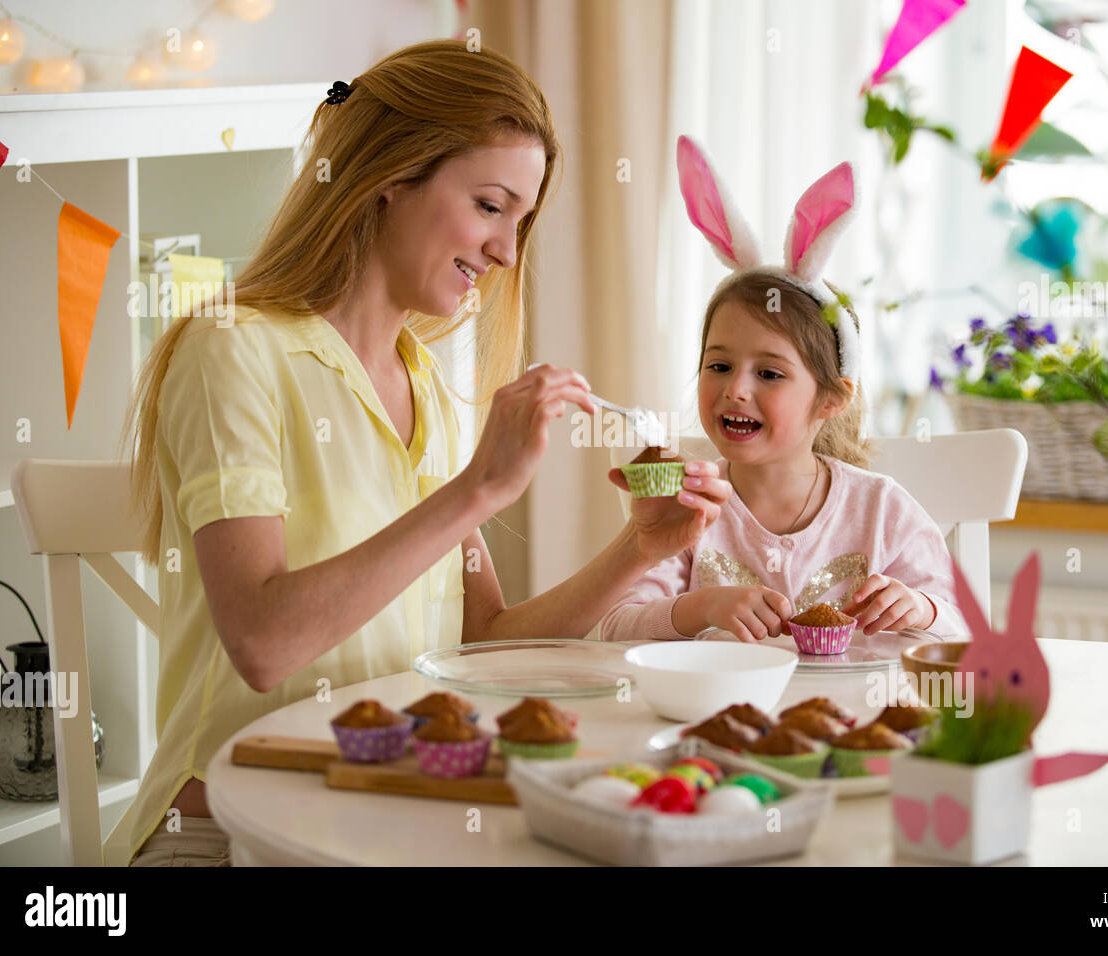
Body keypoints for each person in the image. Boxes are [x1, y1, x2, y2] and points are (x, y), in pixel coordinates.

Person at [107, 42, 730, 867]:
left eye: (522, 219)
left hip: (384, 820)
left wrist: (638, 549)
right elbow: (261, 642)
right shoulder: (234, 350)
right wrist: (476, 489)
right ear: (389, 178)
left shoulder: (425, 384)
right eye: (489, 205)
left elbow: (485, 644)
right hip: (226, 831)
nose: (509, 251)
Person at [599, 137, 965, 645]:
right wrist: (697, 607)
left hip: (850, 722)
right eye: (719, 365)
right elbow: (615, 630)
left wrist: (921, 609)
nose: (736, 389)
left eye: (769, 374)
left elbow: (964, 633)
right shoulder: (687, 508)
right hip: (720, 720)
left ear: (832, 398)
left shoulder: (881, 510)